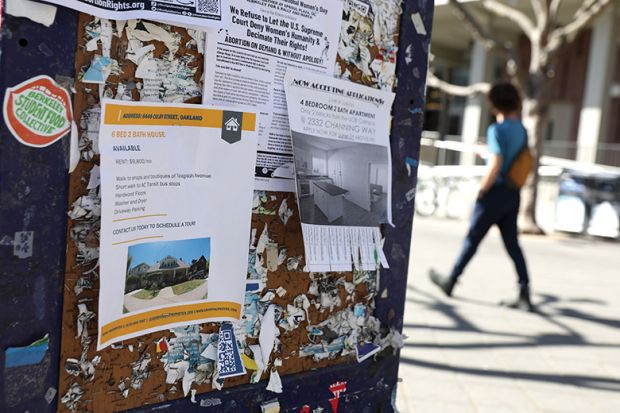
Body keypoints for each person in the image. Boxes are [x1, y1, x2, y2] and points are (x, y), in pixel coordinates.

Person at [429, 82, 534, 311]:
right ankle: (525, 292)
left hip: (494, 191)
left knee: (472, 238)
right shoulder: (522, 129)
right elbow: (510, 158)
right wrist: (487, 153)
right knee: (512, 244)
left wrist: (482, 191)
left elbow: (496, 163)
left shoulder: (497, 130)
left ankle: (451, 280)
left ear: (495, 104)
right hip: (512, 193)